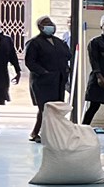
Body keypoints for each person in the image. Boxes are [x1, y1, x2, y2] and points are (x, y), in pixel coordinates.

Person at [24, 15, 73, 144]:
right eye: (46, 23)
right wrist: (43, 72)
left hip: (58, 80)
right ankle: (36, 132)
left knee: (56, 108)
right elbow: (30, 62)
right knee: (44, 108)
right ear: (40, 27)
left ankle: (54, 133)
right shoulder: (34, 43)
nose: (50, 26)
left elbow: (67, 55)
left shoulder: (58, 42)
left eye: (51, 23)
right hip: (42, 81)